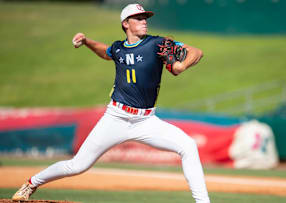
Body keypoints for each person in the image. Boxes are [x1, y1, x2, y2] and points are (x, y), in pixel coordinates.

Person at [12, 3, 210, 203]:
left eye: (145, 18)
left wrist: (181, 65)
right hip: (116, 117)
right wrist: (87, 41)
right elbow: (105, 52)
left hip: (146, 121)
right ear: (125, 23)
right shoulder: (118, 48)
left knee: (188, 146)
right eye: (138, 18)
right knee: (78, 166)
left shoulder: (157, 43)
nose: (144, 22)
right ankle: (31, 183)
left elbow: (197, 51)